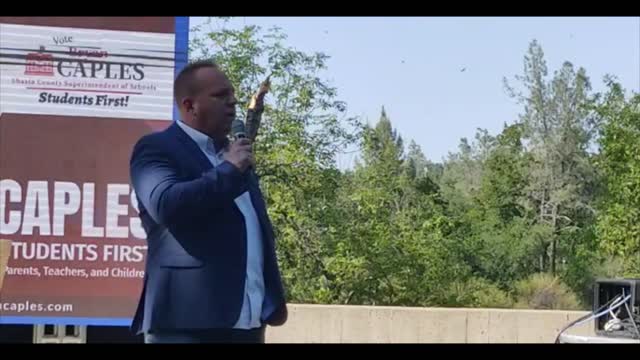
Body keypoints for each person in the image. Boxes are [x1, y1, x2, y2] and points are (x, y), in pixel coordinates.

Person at [129, 60, 287, 343]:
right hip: (186, 324)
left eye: (233, 96)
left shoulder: (232, 154)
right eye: (220, 95)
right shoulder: (157, 148)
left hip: (248, 321)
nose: (233, 103)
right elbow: (167, 204)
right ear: (190, 106)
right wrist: (228, 170)